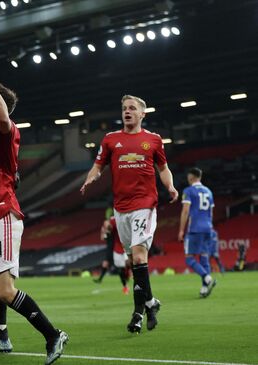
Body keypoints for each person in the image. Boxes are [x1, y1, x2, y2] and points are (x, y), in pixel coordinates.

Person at [0, 71, 68, 364]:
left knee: (3, 290)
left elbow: (5, 121)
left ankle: (52, 334)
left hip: (1, 214)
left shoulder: (5, 129)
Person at [80, 95, 178, 333]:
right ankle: (151, 303)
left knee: (139, 257)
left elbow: (163, 169)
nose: (127, 111)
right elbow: (98, 165)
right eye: (124, 108)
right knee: (134, 261)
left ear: (142, 114)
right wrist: (90, 178)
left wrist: (171, 187)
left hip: (145, 204)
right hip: (121, 208)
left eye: (132, 108)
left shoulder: (153, 140)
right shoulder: (111, 139)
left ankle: (137, 315)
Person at [178, 167, 217, 298]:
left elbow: (185, 211)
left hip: (195, 229)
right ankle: (205, 289)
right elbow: (211, 213)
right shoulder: (209, 191)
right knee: (204, 257)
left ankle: (207, 278)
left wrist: (181, 230)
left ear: (191, 177)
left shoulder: (188, 191)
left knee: (189, 258)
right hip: (208, 228)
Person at [95, 217, 132, 295]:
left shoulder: (118, 223)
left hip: (124, 246)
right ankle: (125, 285)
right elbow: (104, 237)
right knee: (118, 268)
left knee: (128, 262)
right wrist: (104, 231)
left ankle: (128, 273)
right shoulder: (109, 230)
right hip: (114, 249)